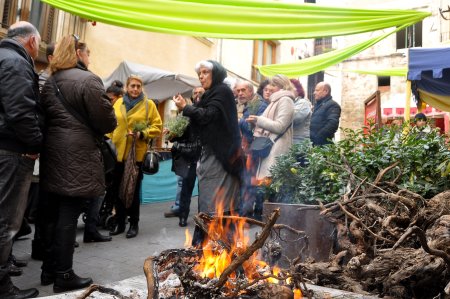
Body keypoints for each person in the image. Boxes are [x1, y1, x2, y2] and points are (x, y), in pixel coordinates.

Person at [39, 34, 117, 293]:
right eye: (87, 52)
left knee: (52, 212)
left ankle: (49, 269)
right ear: (78, 53)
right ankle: (64, 274)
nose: (89, 57)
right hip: (78, 153)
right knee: (68, 215)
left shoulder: (51, 82)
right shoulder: (89, 80)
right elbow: (107, 121)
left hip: (53, 151)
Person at [173, 60, 243, 246]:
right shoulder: (210, 94)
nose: (201, 77)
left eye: (205, 72)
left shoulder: (222, 91)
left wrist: (185, 108)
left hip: (222, 158)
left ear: (216, 74)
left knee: (220, 207)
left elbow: (208, 116)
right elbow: (199, 122)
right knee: (209, 205)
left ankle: (223, 248)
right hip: (210, 157)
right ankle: (206, 248)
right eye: (199, 74)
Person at [0, 20, 42, 299]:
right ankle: (2, 286)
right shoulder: (16, 62)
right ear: (32, 42)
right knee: (6, 221)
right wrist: (36, 142)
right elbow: (20, 111)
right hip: (12, 151)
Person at [109, 75, 162, 238]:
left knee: (132, 190)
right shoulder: (118, 102)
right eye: (132, 86)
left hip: (136, 155)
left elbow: (157, 126)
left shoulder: (148, 104)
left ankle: (134, 223)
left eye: (138, 86)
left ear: (141, 88)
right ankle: (119, 222)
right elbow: (111, 122)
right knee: (117, 190)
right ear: (126, 87)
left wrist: (142, 133)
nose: (135, 89)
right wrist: (107, 139)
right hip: (117, 153)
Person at [246, 74, 295, 219]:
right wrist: (256, 122)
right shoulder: (275, 101)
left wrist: (259, 120)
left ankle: (270, 219)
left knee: (271, 187)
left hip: (277, 149)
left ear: (280, 86)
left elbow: (280, 126)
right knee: (266, 185)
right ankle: (263, 216)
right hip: (269, 147)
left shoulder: (286, 100)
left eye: (272, 85)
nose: (269, 89)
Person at [164, 87, 204, 220]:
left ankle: (202, 216)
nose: (197, 95)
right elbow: (180, 134)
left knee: (202, 188)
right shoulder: (186, 113)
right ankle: (183, 215)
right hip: (188, 155)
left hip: (203, 156)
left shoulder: (206, 111)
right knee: (185, 186)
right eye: (195, 93)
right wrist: (172, 135)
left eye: (200, 93)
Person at [238, 80, 269, 219]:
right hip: (249, 150)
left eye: (243, 90)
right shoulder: (249, 106)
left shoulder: (260, 105)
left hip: (256, 151)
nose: (240, 93)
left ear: (251, 91)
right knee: (250, 181)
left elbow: (257, 130)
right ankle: (250, 213)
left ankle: (251, 214)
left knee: (253, 182)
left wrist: (239, 122)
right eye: (238, 91)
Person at [310, 82, 341, 146]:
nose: (314, 93)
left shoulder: (333, 105)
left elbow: (332, 124)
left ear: (326, 91)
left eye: (317, 90)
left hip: (323, 146)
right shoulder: (318, 105)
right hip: (314, 144)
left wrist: (317, 138)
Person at [290, 79, 311, 144]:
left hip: (299, 141)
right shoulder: (292, 102)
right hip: (291, 140)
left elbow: (294, 118)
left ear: (298, 90)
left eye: (290, 88)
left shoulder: (303, 103)